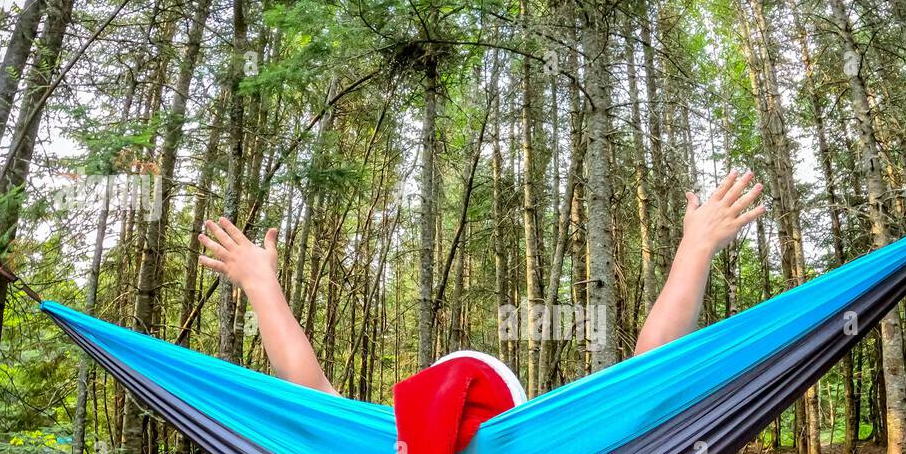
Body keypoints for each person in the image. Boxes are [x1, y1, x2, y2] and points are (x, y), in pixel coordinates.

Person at [196, 168, 766, 392]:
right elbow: (649, 368)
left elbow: (310, 389)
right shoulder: (539, 452)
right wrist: (694, 249)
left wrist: (261, 287)